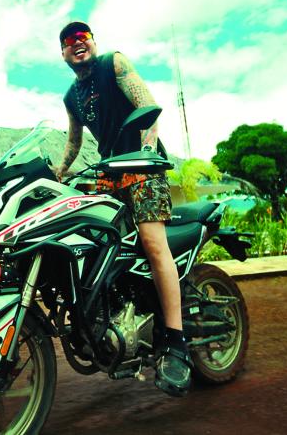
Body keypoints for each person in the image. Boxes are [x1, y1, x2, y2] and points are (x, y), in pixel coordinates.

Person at [53, 21, 191, 397]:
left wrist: (146, 150)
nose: (76, 43)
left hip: (143, 166)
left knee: (152, 243)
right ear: (63, 53)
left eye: (82, 37)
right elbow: (74, 140)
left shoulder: (113, 63)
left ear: (92, 43)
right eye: (68, 41)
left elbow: (147, 106)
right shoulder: (71, 96)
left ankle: (176, 342)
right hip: (108, 175)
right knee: (100, 247)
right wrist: (59, 171)